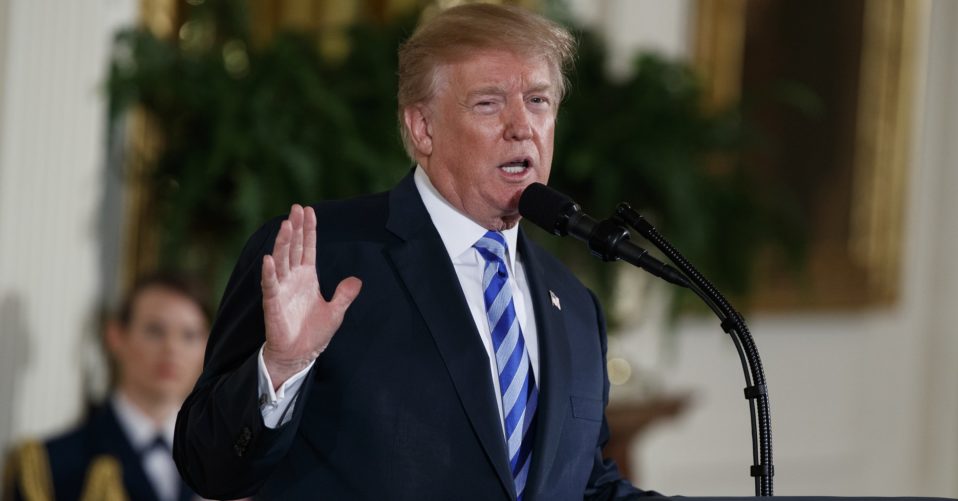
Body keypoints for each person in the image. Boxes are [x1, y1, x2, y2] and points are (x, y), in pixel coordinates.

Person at [173, 4, 676, 500]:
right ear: (422, 128)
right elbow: (209, 466)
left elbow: (584, 487)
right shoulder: (320, 256)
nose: (522, 126)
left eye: (539, 101)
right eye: (489, 103)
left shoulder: (574, 304)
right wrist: (280, 368)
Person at [4, 273, 210, 501]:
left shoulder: (224, 464)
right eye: (155, 331)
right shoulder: (49, 466)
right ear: (116, 336)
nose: (172, 349)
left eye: (189, 336)